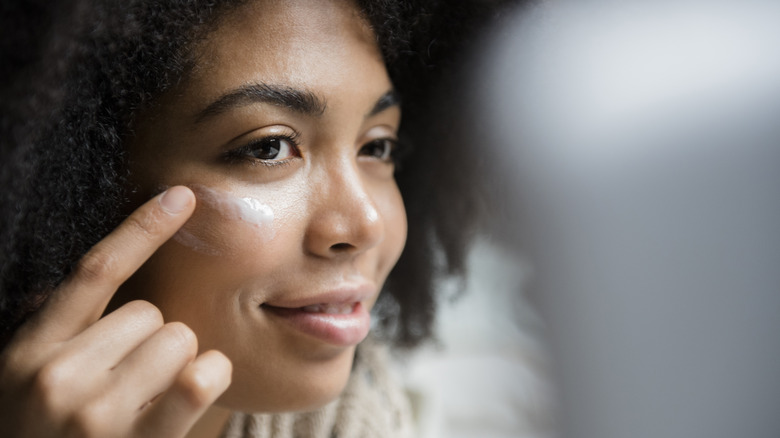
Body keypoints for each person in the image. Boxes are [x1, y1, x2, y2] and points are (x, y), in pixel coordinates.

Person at [0, 0, 514, 436]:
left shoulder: (379, 416)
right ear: (78, 182)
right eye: (269, 147)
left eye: (377, 146)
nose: (365, 224)